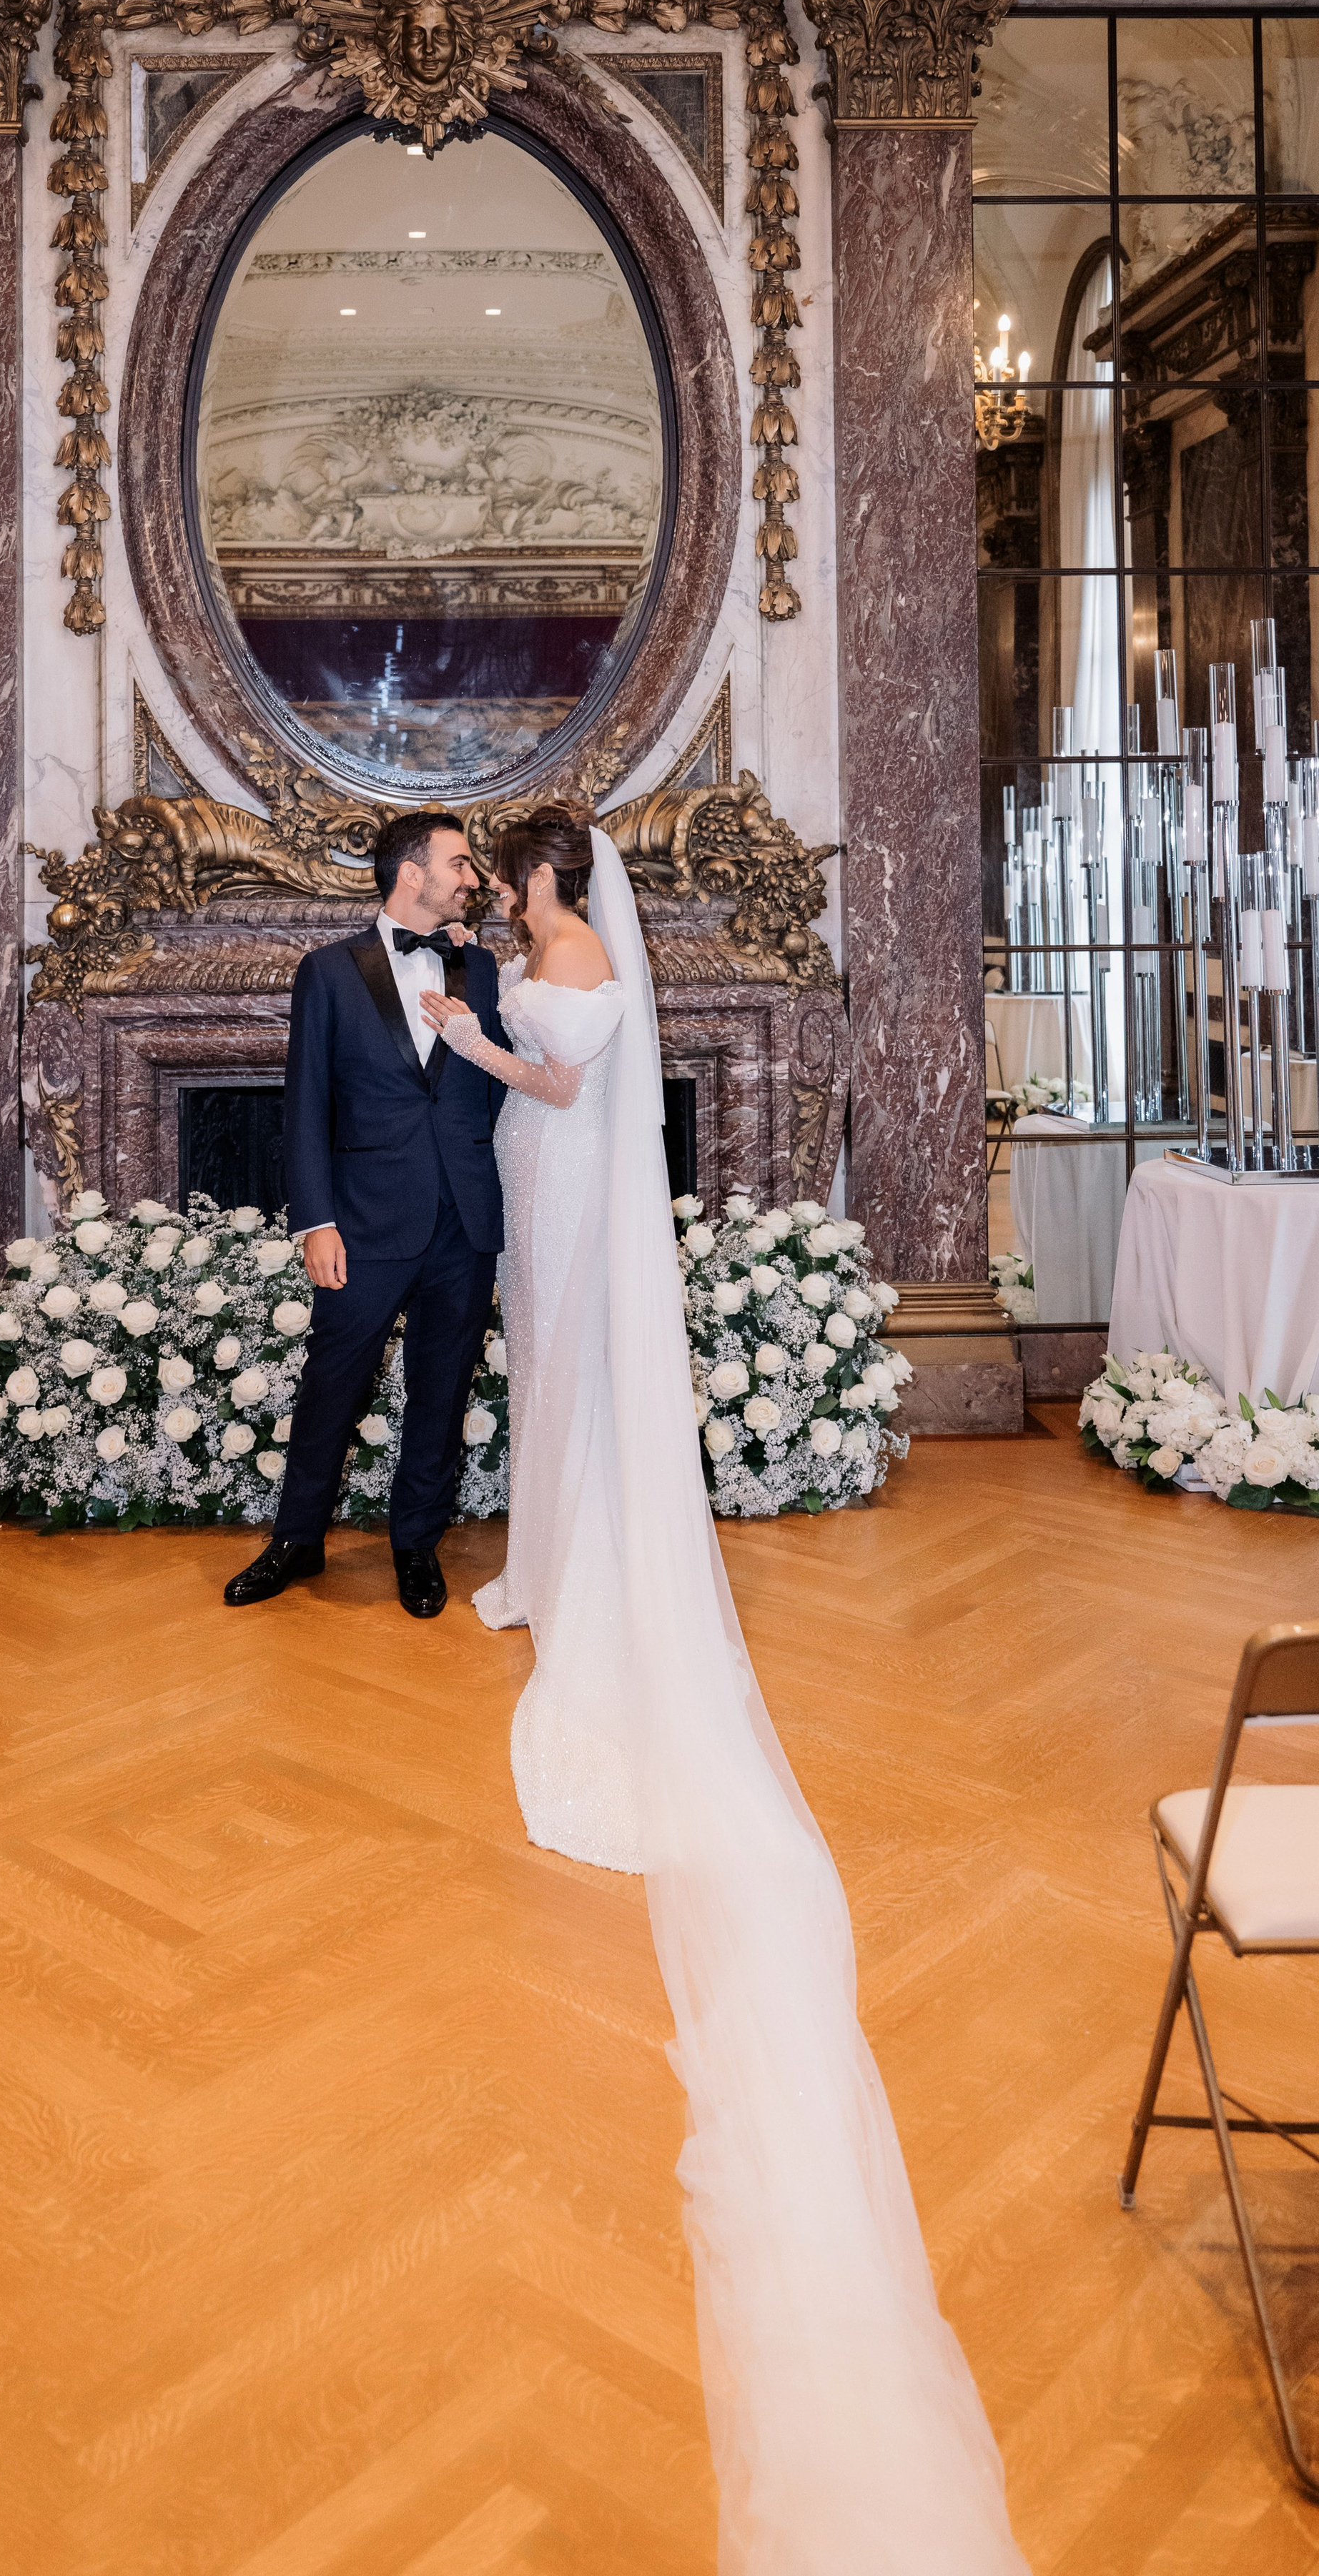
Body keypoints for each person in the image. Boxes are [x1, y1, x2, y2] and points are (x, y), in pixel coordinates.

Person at [421, 806, 1031, 2576]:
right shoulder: (541, 950)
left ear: (539, 880)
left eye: (514, 882)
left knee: (581, 1391)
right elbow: (529, 1032)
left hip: (568, 1197)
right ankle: (543, 1561)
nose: (515, 902)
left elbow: (560, 1087)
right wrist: (479, 994)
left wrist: (472, 1037)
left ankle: (585, 1576)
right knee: (541, 1392)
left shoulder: (583, 964)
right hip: (543, 1218)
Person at [222, 811, 510, 1620]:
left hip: (463, 1218)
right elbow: (306, 1105)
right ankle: (296, 1539)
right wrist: (315, 1221)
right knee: (331, 1384)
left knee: (441, 1389)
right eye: (459, 862)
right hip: (362, 1222)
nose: (474, 877)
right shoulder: (328, 970)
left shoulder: (482, 971)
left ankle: (415, 1545)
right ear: (410, 873)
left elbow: (502, 1091)